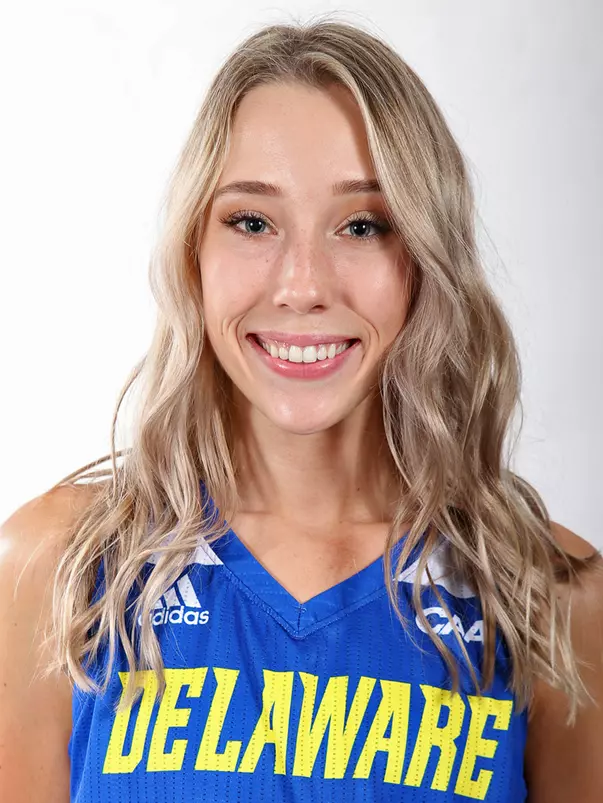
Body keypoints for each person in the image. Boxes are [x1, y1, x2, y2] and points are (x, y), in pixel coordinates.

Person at [1, 17, 601, 803]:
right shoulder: (53, 570)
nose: (301, 283)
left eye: (361, 225)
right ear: (194, 253)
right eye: (251, 221)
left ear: (424, 260)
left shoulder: (550, 596)